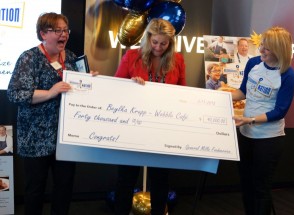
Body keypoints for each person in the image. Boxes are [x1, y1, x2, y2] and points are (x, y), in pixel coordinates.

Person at [7, 12, 98, 215]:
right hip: (35, 138)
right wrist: (50, 92)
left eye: (65, 30)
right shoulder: (29, 58)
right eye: (57, 30)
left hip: (66, 137)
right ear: (43, 34)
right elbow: (15, 94)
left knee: (64, 188)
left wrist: (90, 82)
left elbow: (81, 94)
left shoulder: (73, 58)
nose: (63, 34)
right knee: (35, 191)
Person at [114, 18, 186, 215]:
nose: (159, 47)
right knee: (126, 178)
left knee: (160, 179)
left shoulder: (177, 59)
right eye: (155, 42)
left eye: (164, 43)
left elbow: (183, 93)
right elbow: (115, 89)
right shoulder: (131, 56)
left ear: (171, 43)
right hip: (133, 127)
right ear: (148, 38)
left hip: (162, 128)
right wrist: (131, 86)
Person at [231, 26, 294, 215]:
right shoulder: (252, 63)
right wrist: (220, 96)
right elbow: (242, 91)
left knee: (261, 188)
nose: (261, 51)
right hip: (246, 134)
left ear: (279, 50)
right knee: (246, 185)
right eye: (261, 46)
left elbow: (280, 111)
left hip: (269, 139)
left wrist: (249, 119)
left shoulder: (287, 74)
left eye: (266, 49)